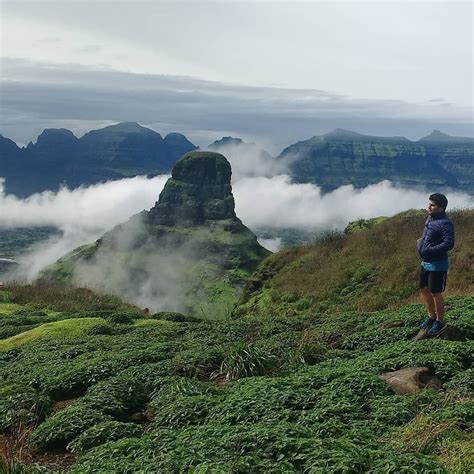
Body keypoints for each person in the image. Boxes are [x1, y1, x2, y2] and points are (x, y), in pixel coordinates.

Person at [417, 193, 454, 337]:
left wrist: (431, 250)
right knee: (423, 289)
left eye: (432, 205)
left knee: (435, 292)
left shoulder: (445, 223)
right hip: (425, 262)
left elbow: (449, 243)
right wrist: (420, 243)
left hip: (438, 264)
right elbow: (426, 235)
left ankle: (440, 321)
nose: (429, 207)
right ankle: (431, 316)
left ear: (441, 208)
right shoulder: (430, 218)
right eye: (429, 204)